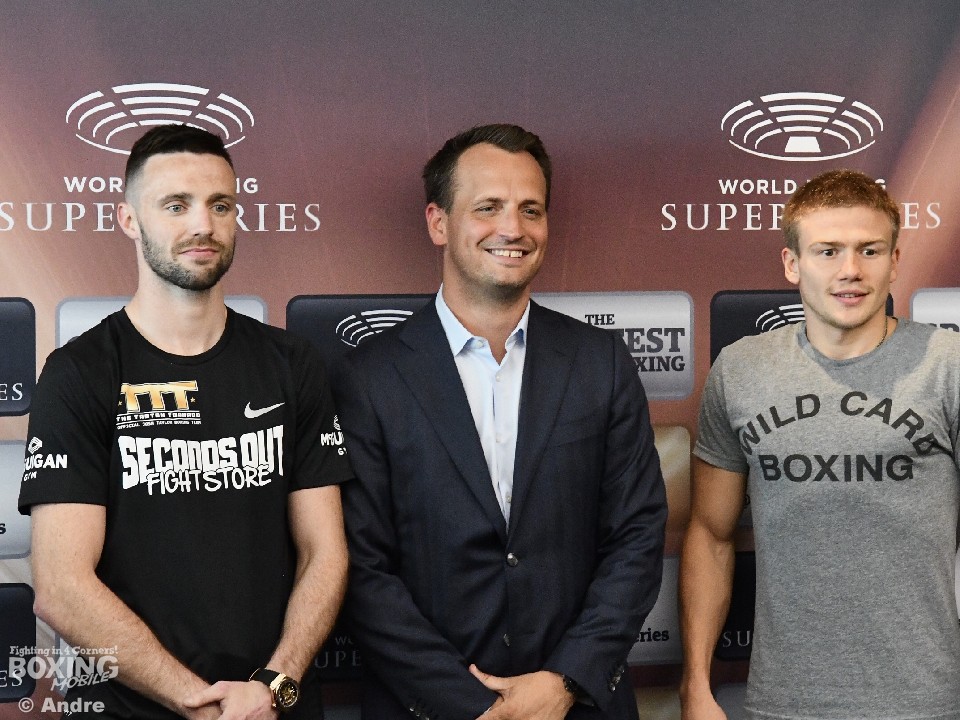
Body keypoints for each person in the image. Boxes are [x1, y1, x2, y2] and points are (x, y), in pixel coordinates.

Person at [333, 123, 667, 720]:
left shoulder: (602, 362)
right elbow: (361, 567)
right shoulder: (368, 377)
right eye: (487, 207)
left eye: (530, 210)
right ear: (438, 222)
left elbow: (637, 536)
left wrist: (564, 681)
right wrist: (471, 706)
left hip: (577, 705)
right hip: (427, 710)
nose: (513, 229)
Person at [19, 125, 352, 720]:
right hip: (132, 708)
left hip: (269, 707)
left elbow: (323, 553)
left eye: (220, 205)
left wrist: (274, 685)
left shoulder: (291, 363)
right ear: (129, 219)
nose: (203, 224)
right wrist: (196, 703)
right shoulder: (79, 372)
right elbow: (61, 587)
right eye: (176, 205)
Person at [679, 169, 960, 719]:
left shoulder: (946, 365)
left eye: (869, 250)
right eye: (827, 251)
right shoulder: (741, 370)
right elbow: (710, 534)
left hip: (923, 702)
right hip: (783, 703)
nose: (850, 270)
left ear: (894, 262)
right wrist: (695, 683)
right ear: (792, 263)